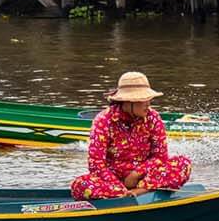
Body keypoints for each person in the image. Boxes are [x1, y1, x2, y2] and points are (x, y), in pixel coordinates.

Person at [70, 72, 192, 200]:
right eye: (143, 99)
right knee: (80, 185)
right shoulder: (103, 120)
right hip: (111, 183)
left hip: (144, 180)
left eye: (149, 99)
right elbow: (96, 164)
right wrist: (119, 186)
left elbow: (160, 156)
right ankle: (124, 195)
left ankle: (140, 192)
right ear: (127, 101)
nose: (148, 104)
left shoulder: (153, 118)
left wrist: (136, 174)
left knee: (183, 164)